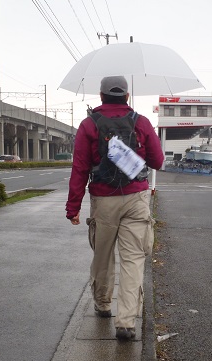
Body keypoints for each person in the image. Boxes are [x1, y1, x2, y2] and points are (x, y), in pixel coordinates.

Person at [65, 76, 165, 340]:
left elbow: (80, 169)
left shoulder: (89, 125)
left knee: (103, 254)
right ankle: (126, 321)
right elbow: (157, 160)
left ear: (101, 96)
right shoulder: (141, 122)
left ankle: (103, 304)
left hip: (103, 199)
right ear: (127, 96)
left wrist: (72, 207)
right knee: (133, 259)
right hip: (136, 198)